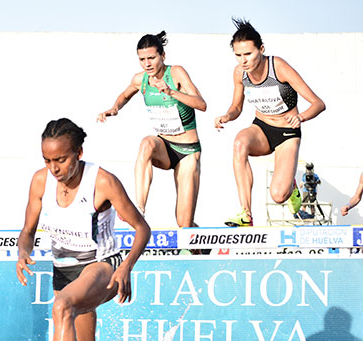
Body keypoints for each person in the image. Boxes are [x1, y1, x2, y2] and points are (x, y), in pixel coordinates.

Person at [16, 118, 150, 341]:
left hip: (103, 266)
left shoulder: (102, 181)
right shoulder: (41, 181)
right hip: (64, 271)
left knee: (61, 305)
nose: (54, 168)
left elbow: (142, 229)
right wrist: (22, 252)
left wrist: (126, 266)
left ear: (78, 152)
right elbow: (27, 231)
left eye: (61, 160)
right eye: (48, 160)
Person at [215, 18, 325, 227]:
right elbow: (236, 107)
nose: (243, 60)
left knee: (278, 195)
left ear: (261, 49)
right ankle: (246, 214)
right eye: (238, 55)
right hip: (262, 129)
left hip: (287, 133)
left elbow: (318, 103)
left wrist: (301, 117)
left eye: (248, 54)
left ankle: (291, 188)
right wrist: (227, 116)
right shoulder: (240, 73)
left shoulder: (279, 67)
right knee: (239, 143)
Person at [97, 31, 207, 228]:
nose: (147, 64)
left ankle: (198, 247)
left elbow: (201, 104)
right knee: (146, 143)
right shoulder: (141, 80)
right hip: (164, 146)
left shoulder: (176, 73)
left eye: (151, 58)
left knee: (184, 223)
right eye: (142, 59)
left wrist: (171, 91)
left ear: (162, 56)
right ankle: (139, 208)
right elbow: (125, 95)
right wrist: (115, 108)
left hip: (187, 151)